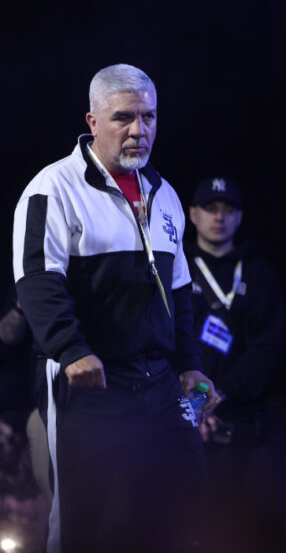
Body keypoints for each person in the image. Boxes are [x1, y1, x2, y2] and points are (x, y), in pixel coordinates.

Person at [11, 63, 216, 553]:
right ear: (93, 121)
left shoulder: (162, 193)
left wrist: (189, 364)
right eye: (124, 117)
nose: (139, 131)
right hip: (90, 382)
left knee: (187, 500)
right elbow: (37, 282)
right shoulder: (52, 188)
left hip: (158, 380)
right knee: (85, 517)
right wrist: (71, 349)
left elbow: (180, 291)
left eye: (149, 117)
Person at [185, 177, 286, 505]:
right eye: (210, 209)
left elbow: (267, 350)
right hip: (184, 420)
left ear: (239, 217)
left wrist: (215, 396)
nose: (219, 217)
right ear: (193, 214)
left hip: (242, 423)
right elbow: (165, 343)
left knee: (241, 528)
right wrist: (197, 407)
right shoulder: (176, 270)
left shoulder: (259, 274)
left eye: (228, 210)